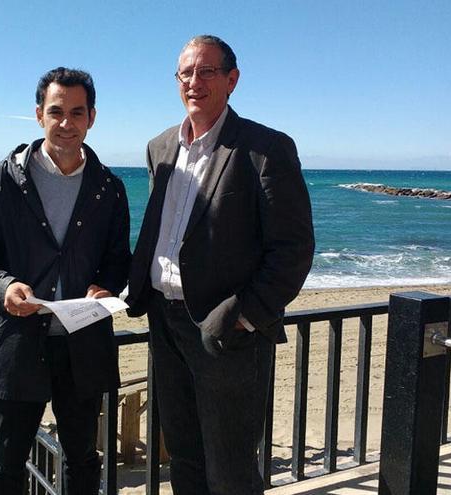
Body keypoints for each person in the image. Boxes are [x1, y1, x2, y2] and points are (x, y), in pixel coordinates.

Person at [126, 35, 315, 494]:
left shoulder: (264, 148)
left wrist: (247, 315)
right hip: (164, 322)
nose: (194, 81)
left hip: (225, 330)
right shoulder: (160, 147)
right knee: (184, 457)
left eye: (206, 71)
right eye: (185, 73)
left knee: (230, 468)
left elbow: (293, 247)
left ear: (232, 80)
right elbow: (163, 230)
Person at [0, 67, 131, 495]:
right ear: (39, 115)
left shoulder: (109, 188)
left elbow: (117, 259)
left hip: (82, 345)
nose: (66, 123)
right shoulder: (1, 180)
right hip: (17, 345)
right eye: (56, 112)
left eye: (77, 112)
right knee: (5, 469)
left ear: (92, 117)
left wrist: (105, 286)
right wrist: (4, 287)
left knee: (83, 462)